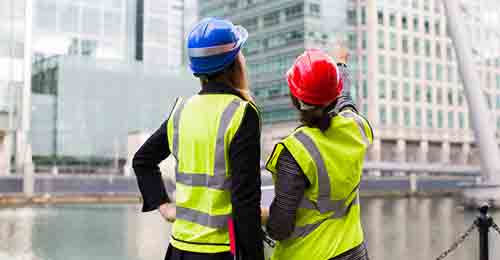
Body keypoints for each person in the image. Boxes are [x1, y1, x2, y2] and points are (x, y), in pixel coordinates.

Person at [133, 17, 264, 260]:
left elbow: (142, 161)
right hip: (220, 251)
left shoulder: (181, 110)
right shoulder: (242, 113)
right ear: (235, 62)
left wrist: (163, 205)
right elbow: (245, 200)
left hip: (179, 250)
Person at [262, 47, 373, 260]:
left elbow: (280, 228)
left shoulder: (296, 151)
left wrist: (256, 215)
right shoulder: (355, 128)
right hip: (354, 251)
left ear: (295, 99)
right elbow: (346, 101)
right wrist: (340, 66)